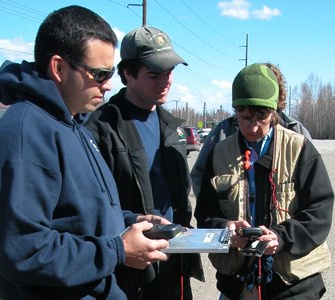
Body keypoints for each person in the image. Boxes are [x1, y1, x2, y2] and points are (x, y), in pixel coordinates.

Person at [0, 6, 171, 300]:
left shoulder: (75, 125)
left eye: (110, 73)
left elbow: (77, 216)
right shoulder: (22, 135)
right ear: (59, 68)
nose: (109, 85)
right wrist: (118, 250)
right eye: (99, 74)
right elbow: (23, 251)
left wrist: (130, 221)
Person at [194, 63, 334, 299]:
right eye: (245, 117)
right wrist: (225, 230)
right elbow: (206, 212)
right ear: (235, 111)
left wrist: (280, 237)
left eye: (262, 117)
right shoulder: (219, 154)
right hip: (238, 281)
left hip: (292, 284)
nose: (253, 126)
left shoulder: (299, 148)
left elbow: (319, 211)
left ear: (275, 112)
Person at [85, 26, 204, 300]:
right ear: (127, 73)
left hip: (174, 263)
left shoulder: (171, 128)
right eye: (154, 74)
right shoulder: (102, 128)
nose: (166, 81)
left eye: (169, 72)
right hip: (129, 271)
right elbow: (95, 208)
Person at [191, 62, 312, 198]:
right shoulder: (223, 132)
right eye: (246, 118)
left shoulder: (296, 132)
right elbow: (199, 175)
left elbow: (313, 189)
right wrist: (216, 210)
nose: (254, 127)